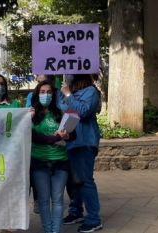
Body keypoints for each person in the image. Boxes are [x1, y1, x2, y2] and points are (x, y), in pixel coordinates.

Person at [30, 80, 76, 233]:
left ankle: (55, 231)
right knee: (43, 201)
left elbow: (72, 134)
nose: (46, 95)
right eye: (42, 92)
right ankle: (47, 230)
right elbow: (35, 138)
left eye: (49, 92)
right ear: (37, 94)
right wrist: (57, 138)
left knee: (57, 200)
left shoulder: (61, 113)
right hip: (39, 162)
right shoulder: (31, 116)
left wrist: (67, 136)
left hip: (60, 162)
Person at [60, 74, 103, 233]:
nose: (68, 76)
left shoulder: (90, 91)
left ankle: (93, 219)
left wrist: (68, 95)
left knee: (85, 180)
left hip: (84, 142)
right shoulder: (65, 91)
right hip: (69, 142)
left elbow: (83, 111)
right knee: (74, 181)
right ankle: (75, 211)